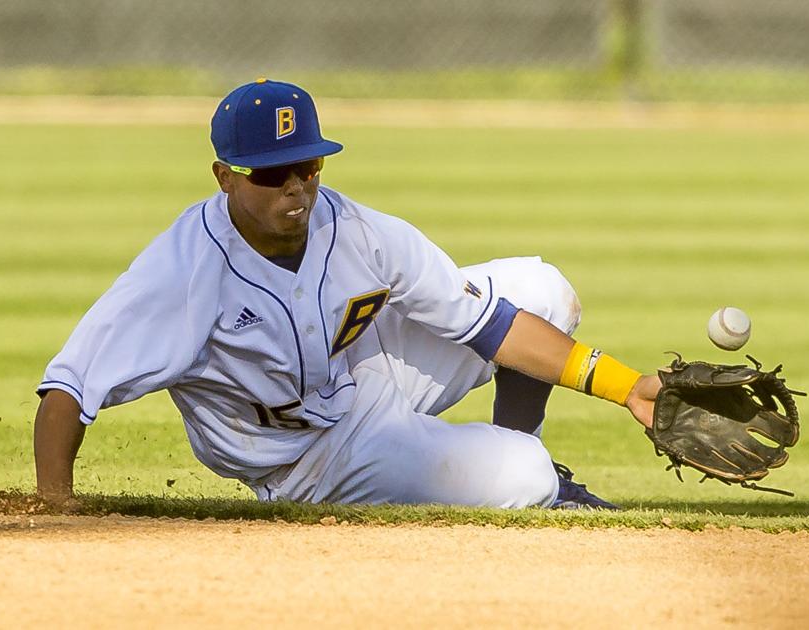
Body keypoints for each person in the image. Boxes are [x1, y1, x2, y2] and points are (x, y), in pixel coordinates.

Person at [34, 78, 661, 511]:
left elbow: (488, 324)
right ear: (224, 176)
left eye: (308, 166)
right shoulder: (180, 273)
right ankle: (534, 477)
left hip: (360, 378)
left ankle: (536, 468)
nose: (296, 188)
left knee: (540, 289)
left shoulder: (352, 228)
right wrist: (55, 508)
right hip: (307, 460)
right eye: (271, 173)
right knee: (522, 472)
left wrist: (627, 388)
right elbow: (70, 387)